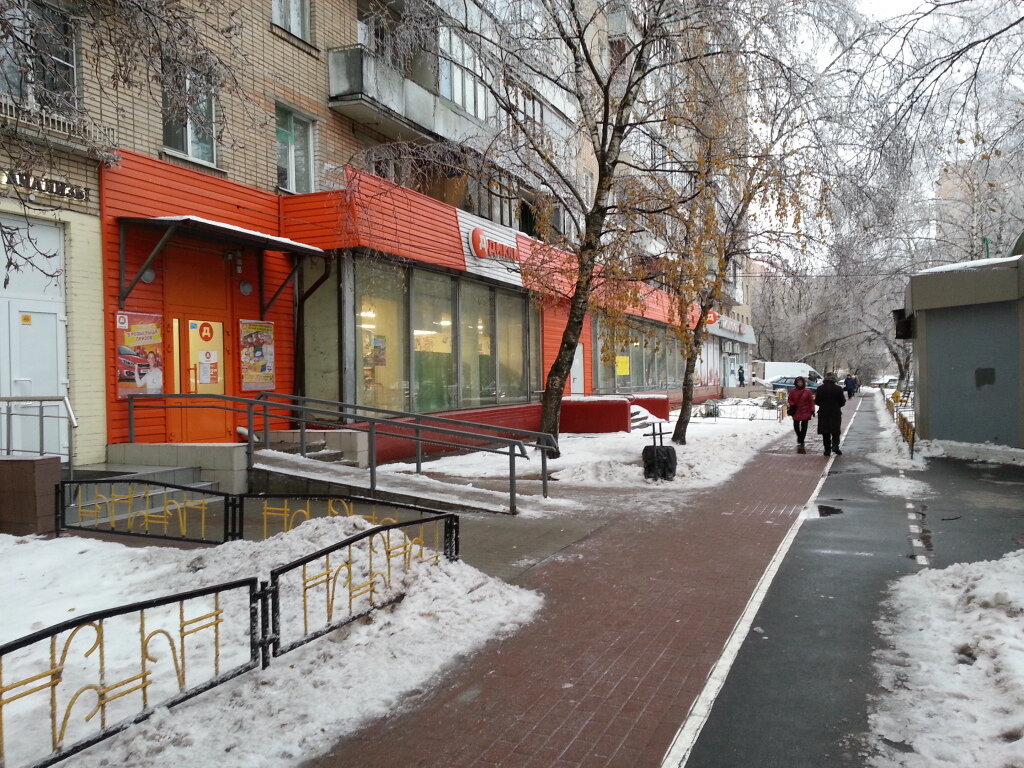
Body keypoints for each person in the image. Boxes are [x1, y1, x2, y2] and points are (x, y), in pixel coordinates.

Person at [815, 372, 846, 456]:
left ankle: (827, 449)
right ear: (834, 379)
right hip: (835, 412)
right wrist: (836, 406)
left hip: (823, 413)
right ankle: (835, 446)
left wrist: (823, 405)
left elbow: (817, 401)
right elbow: (842, 401)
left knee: (825, 432)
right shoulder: (838, 388)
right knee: (836, 431)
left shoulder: (820, 388)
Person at [787, 376, 815, 453]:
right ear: (796, 383)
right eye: (798, 382)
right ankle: (799, 436)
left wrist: (812, 410)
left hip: (805, 410)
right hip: (796, 410)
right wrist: (792, 404)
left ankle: (802, 439)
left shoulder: (808, 391)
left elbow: (811, 401)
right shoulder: (792, 391)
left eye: (801, 382)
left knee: (804, 425)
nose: (800, 383)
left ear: (803, 383)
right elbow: (790, 399)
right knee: (796, 424)